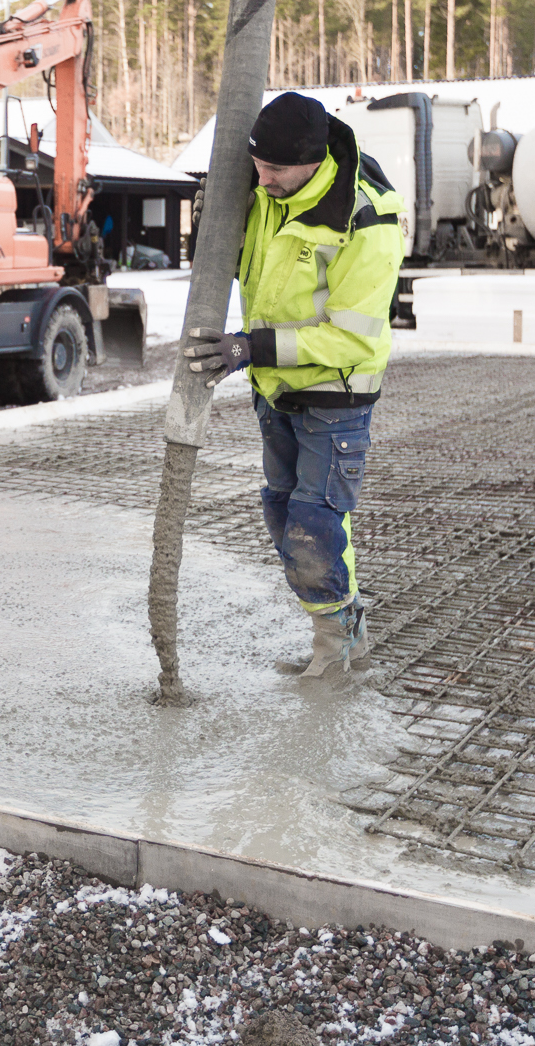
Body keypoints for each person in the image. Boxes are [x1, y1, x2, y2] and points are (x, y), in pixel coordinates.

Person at [183, 93, 405, 675]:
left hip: (336, 396)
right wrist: (208, 231)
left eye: (275, 169)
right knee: (283, 514)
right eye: (258, 166)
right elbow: (241, 267)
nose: (262, 178)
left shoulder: (364, 218)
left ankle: (333, 653)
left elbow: (353, 338)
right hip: (274, 389)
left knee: (315, 522)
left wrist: (251, 347)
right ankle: (344, 634)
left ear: (313, 159)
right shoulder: (266, 194)